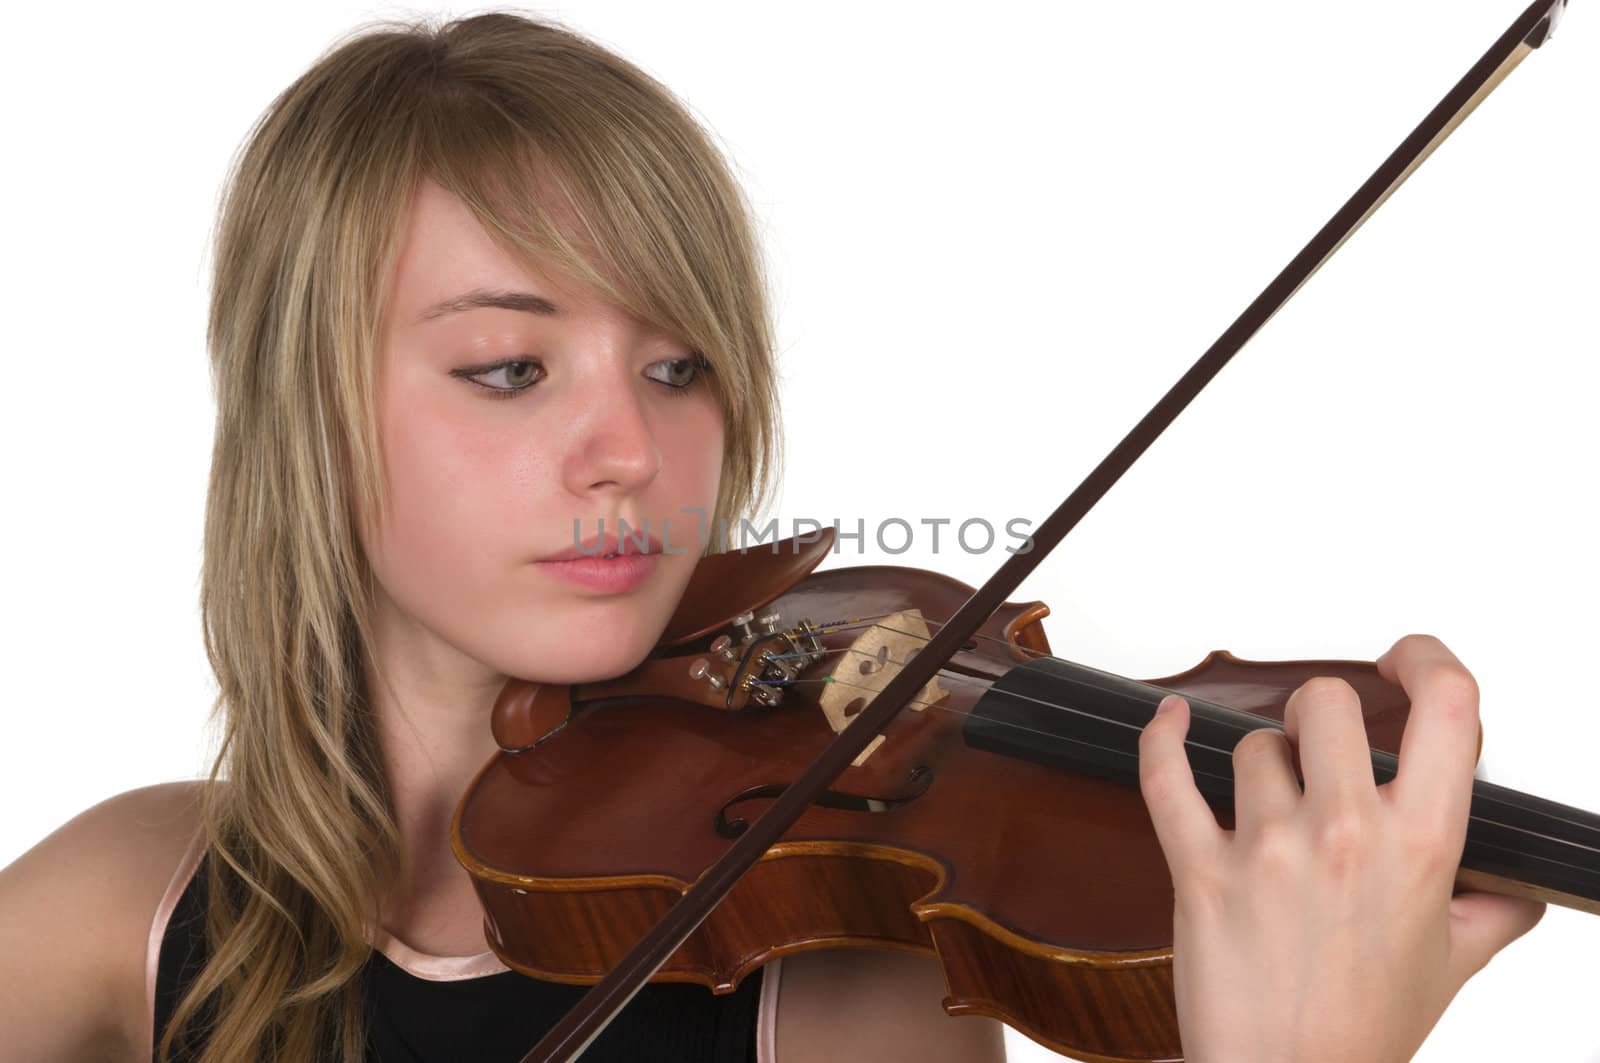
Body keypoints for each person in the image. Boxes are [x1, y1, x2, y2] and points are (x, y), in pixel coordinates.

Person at [0, 11, 1545, 1063]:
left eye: (679, 367)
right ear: (304, 413)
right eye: (509, 369)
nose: (635, 450)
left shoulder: (835, 992)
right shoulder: (130, 907)